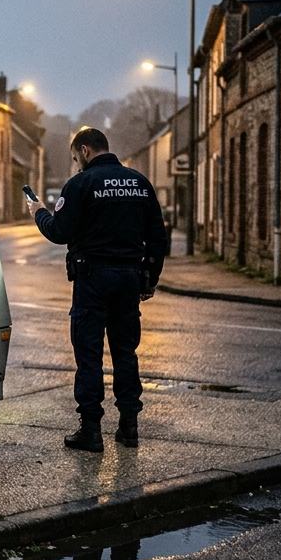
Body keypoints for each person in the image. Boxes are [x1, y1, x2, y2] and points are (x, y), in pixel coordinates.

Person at [27, 127, 169, 452]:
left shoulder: (81, 184)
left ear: (85, 151)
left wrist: (39, 213)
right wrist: (149, 279)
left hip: (92, 279)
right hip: (128, 278)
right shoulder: (139, 183)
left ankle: (90, 430)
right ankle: (129, 426)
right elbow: (157, 238)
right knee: (125, 351)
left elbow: (59, 232)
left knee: (89, 354)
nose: (76, 163)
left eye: (75, 157)